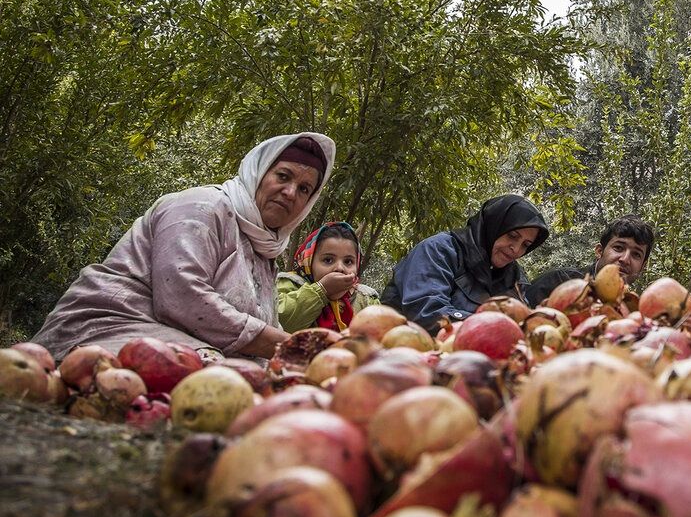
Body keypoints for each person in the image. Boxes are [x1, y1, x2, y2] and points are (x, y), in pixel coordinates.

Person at [32, 133, 336, 360]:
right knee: (227, 383)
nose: (289, 192)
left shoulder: (265, 254)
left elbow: (263, 328)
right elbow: (182, 297)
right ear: (258, 173)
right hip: (106, 328)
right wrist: (295, 349)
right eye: (283, 176)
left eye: (304, 189)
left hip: (181, 344)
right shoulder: (203, 206)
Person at [381, 194, 549, 331]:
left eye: (526, 245)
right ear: (493, 226)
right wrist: (496, 329)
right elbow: (426, 313)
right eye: (512, 236)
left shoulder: (513, 275)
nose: (516, 250)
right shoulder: (439, 250)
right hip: (403, 355)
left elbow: (524, 321)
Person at [524, 215, 655, 308]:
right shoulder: (557, 282)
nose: (625, 259)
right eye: (618, 248)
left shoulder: (633, 309)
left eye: (636, 254)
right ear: (599, 251)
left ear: (642, 267)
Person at [276, 221, 379, 332]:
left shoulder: (366, 298)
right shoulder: (290, 284)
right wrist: (321, 289)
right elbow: (278, 322)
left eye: (348, 261)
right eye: (328, 260)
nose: (340, 268)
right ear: (309, 263)